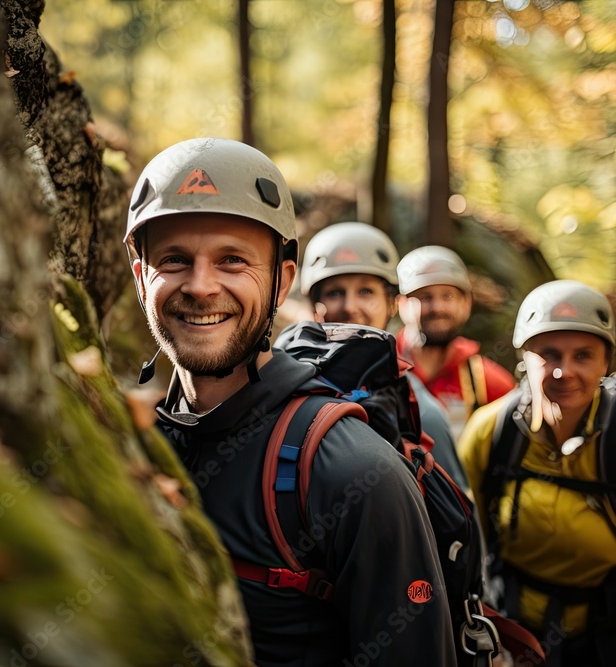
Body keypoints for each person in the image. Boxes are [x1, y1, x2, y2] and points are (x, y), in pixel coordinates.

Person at [125, 138, 457, 667]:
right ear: (142, 277)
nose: (202, 286)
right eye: (175, 260)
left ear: (281, 282)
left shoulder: (353, 472)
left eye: (233, 260)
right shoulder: (126, 447)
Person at [457, 280, 616, 667]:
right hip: (514, 637)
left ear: (606, 363)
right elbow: (468, 552)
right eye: (548, 354)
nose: (563, 372)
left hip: (609, 640)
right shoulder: (489, 434)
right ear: (524, 357)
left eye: (583, 355)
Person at [299, 221, 468, 490]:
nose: (350, 307)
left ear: (392, 304)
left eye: (366, 291)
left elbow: (455, 524)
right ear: (315, 307)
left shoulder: (423, 416)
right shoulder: (284, 386)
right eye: (334, 293)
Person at [396, 246, 515, 438]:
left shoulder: (489, 383)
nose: (437, 307)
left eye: (448, 296)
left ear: (466, 303)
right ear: (401, 304)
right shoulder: (381, 370)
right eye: (425, 297)